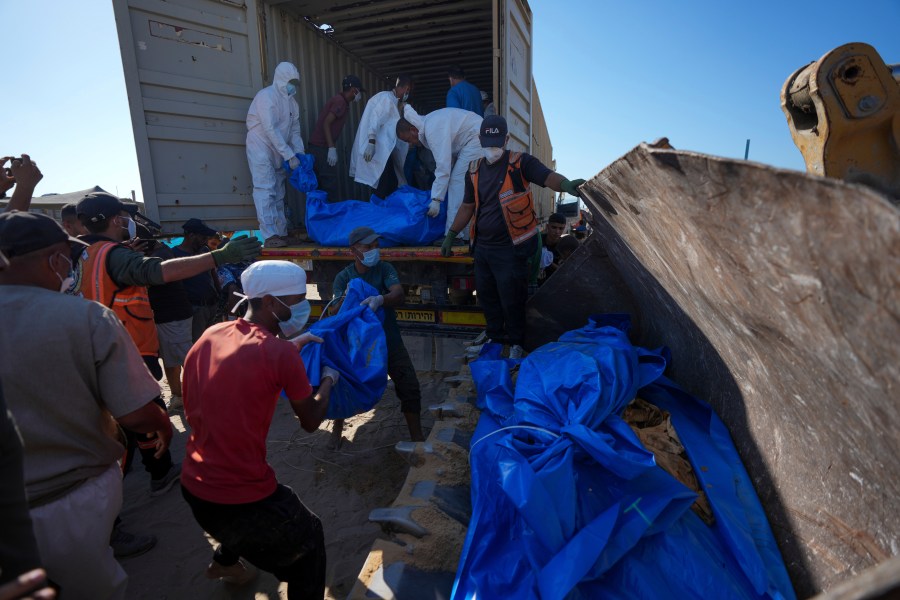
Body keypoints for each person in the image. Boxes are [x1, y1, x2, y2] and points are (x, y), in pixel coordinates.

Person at [0, 211, 173, 599]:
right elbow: (133, 413)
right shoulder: (85, 317)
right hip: (66, 501)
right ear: (54, 259)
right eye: (69, 258)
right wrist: (162, 423)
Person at [74, 191, 260, 495]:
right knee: (144, 416)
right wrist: (220, 256)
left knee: (126, 417)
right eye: (124, 216)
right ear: (114, 219)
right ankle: (151, 478)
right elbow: (158, 271)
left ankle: (144, 472)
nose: (128, 221)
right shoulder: (115, 255)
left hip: (99, 346)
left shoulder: (80, 253)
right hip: (124, 348)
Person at [180, 260, 337, 598]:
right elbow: (310, 421)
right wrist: (327, 381)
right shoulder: (279, 354)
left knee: (241, 527)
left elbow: (241, 366)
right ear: (270, 302)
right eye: (297, 300)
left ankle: (224, 561)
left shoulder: (213, 333)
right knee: (308, 540)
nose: (302, 307)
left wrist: (287, 351)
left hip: (193, 482)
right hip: (238, 494)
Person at [441, 115, 585, 359]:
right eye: (488, 142)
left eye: (497, 142)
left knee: (512, 299)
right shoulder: (474, 169)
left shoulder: (520, 163)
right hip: (483, 248)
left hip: (511, 249)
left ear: (506, 139)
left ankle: (517, 342)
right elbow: (467, 206)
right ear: (479, 139)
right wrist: (452, 234)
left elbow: (547, 176)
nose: (492, 148)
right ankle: (495, 338)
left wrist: (565, 185)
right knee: (487, 297)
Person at [330, 226, 426, 448]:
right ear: (354, 251)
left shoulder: (385, 269)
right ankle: (336, 430)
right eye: (368, 247)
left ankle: (417, 437)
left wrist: (380, 300)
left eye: (376, 246)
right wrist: (348, 298)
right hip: (357, 346)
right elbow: (334, 311)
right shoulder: (344, 277)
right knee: (344, 385)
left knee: (409, 386)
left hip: (388, 340)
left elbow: (398, 293)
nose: (375, 250)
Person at [396, 108, 483, 238]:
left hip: (475, 138)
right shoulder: (429, 124)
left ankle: (455, 235)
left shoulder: (432, 129)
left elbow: (443, 166)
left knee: (457, 183)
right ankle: (466, 233)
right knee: (460, 183)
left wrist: (436, 199)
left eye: (408, 140)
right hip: (473, 137)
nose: (410, 145)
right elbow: (448, 159)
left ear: (413, 130)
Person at [246, 62, 305, 248]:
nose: (292, 86)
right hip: (260, 145)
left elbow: (295, 131)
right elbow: (270, 129)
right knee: (265, 189)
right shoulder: (266, 96)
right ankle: (270, 235)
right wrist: (289, 154)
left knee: (279, 192)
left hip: (279, 150)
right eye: (290, 81)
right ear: (280, 78)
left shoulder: (292, 104)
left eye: (295, 82)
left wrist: (300, 154)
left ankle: (281, 232)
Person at [144, 227, 193, 411]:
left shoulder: (158, 257)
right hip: (167, 316)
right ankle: (179, 396)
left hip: (173, 317)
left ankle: (194, 396)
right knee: (172, 359)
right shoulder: (160, 252)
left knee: (182, 359)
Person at [349, 74, 412, 200]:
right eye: (408, 91)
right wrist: (371, 142)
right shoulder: (386, 99)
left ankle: (383, 212)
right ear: (405, 88)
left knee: (389, 184)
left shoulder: (393, 101)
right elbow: (375, 120)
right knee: (383, 187)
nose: (407, 93)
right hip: (375, 150)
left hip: (383, 152)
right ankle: (380, 213)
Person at [308, 75, 365, 202]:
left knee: (321, 186)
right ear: (354, 90)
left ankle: (321, 217)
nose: (359, 95)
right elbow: (326, 123)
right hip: (321, 149)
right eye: (359, 91)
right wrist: (331, 148)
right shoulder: (340, 102)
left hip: (318, 148)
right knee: (329, 186)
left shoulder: (342, 102)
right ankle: (330, 218)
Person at [173, 218, 221, 342]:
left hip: (212, 306)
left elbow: (212, 272)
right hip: (195, 310)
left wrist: (220, 295)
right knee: (198, 346)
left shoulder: (204, 251)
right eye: (202, 237)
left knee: (215, 344)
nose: (205, 241)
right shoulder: (174, 255)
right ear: (191, 235)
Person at [541, 212, 567, 279]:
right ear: (547, 226)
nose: (557, 231)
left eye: (561, 228)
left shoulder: (565, 247)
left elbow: (566, 272)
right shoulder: (538, 241)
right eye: (554, 227)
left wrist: (550, 263)